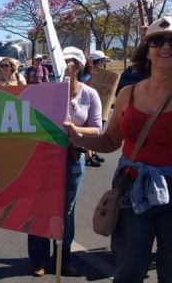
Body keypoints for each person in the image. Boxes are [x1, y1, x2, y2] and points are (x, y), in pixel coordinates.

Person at [66, 16, 172, 282]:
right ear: (146, 51)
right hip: (131, 191)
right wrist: (77, 137)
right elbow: (111, 141)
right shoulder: (128, 94)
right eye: (157, 41)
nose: (166, 47)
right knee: (128, 269)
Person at [27, 46, 102, 277]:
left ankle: (63, 258)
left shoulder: (89, 94)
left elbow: (97, 129)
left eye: (66, 61)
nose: (60, 64)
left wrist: (76, 130)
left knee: (66, 211)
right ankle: (38, 259)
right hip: (44, 158)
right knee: (40, 207)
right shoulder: (44, 91)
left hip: (73, 158)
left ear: (77, 66)